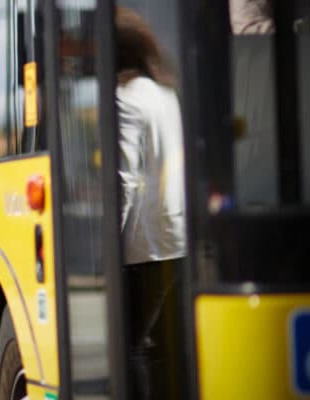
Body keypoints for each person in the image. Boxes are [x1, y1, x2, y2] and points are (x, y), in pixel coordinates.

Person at [115, 7, 187, 400]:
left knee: (132, 346)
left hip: (144, 247)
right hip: (177, 237)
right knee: (164, 344)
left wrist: (109, 243)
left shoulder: (126, 99)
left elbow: (125, 178)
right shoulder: (165, 93)